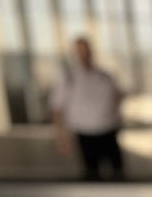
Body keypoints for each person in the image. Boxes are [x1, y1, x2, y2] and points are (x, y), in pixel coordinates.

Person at [49, 36, 123, 180]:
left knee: (118, 172)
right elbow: (57, 108)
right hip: (86, 134)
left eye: (86, 50)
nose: (84, 54)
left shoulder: (104, 75)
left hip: (109, 131)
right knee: (93, 175)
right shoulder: (68, 78)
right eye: (80, 51)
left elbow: (117, 97)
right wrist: (61, 136)